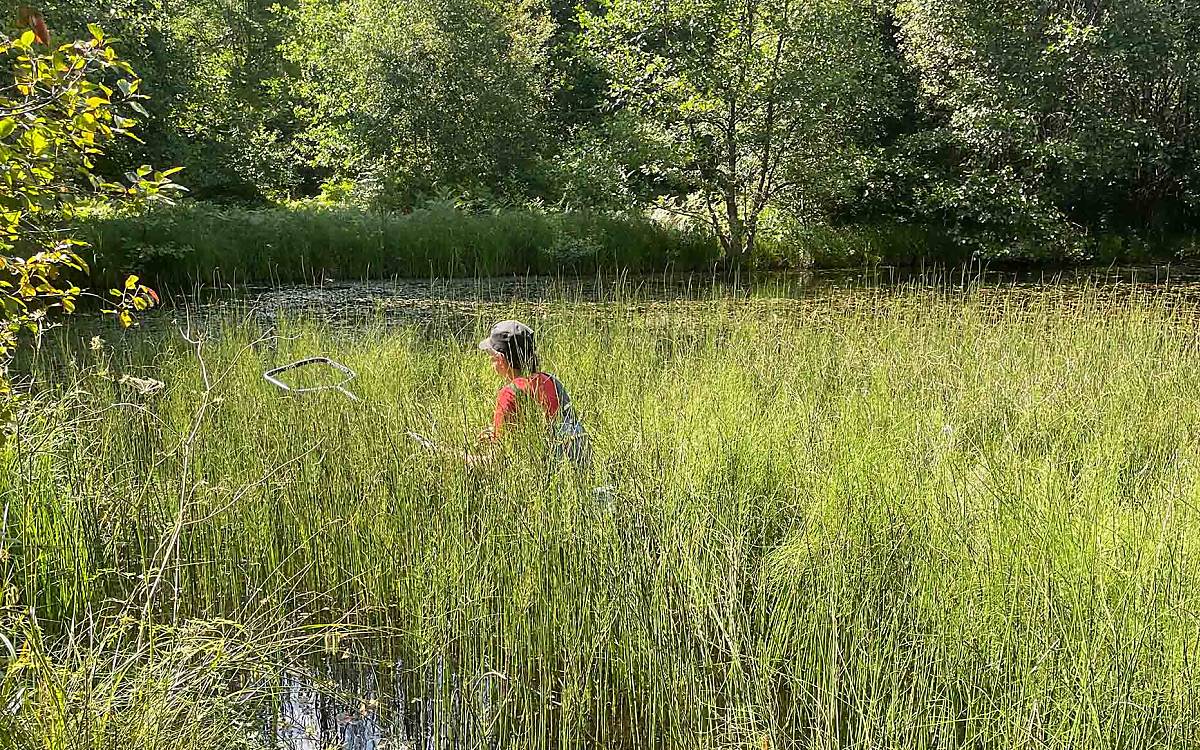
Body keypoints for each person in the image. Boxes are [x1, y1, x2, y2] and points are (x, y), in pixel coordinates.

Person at [470, 320, 590, 469]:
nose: (490, 360)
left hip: (542, 475)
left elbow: (495, 463)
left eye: (491, 356)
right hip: (576, 470)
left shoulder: (509, 394)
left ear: (501, 359)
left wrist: (445, 455)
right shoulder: (551, 381)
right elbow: (547, 431)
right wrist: (497, 434)